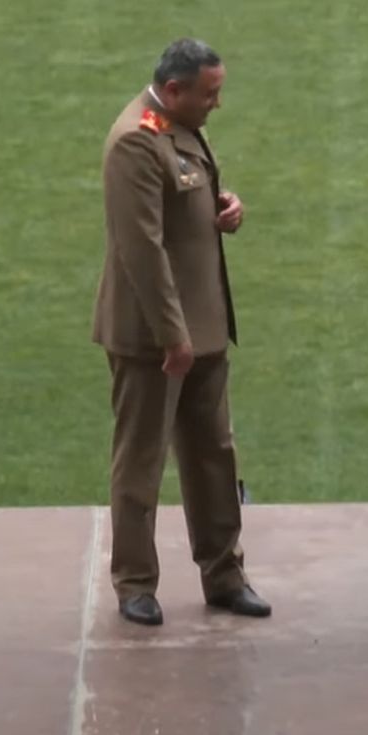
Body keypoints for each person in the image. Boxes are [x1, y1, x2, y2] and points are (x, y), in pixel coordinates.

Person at [92, 38, 270, 626]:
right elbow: (141, 251)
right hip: (154, 338)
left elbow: (186, 193)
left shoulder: (178, 124)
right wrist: (173, 338)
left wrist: (225, 209)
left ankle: (224, 574)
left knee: (213, 455)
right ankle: (135, 583)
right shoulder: (136, 142)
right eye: (209, 93)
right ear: (173, 91)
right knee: (142, 461)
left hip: (204, 325)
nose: (216, 104)